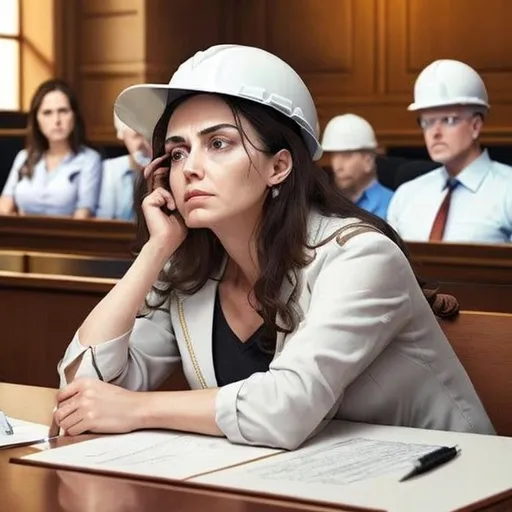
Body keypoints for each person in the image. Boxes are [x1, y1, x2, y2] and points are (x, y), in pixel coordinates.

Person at [54, 45, 494, 450]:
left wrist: (135, 410)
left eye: (218, 143)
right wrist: (157, 248)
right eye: (177, 153)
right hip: (303, 484)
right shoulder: (192, 275)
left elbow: (287, 407)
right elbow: (83, 385)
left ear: (278, 166)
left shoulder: (361, 257)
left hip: (445, 481)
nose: (189, 169)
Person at [387, 59, 512, 243]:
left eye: (449, 120)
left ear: (476, 126)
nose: (435, 133)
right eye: (427, 122)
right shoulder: (405, 196)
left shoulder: (507, 190)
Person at [0, 79, 102, 218]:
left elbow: (83, 215)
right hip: (20, 236)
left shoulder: (89, 159)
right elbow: (4, 207)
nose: (56, 120)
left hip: (68, 237)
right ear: (36, 120)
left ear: (74, 115)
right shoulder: (24, 157)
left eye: (63, 111)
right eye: (47, 113)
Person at [321, 113, 393, 219]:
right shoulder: (327, 206)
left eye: (346, 156)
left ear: (368, 160)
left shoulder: (394, 204)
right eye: (334, 156)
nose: (337, 166)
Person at [96, 113, 152, 221]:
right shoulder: (109, 170)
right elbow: (104, 222)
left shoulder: (169, 171)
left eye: (149, 137)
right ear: (122, 134)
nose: (145, 144)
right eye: (137, 136)